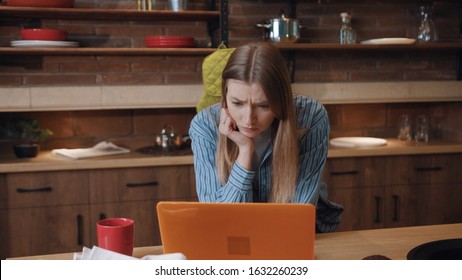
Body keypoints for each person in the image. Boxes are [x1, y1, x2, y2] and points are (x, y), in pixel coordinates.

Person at [189, 42, 343, 232]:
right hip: (235, 240)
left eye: (263, 106)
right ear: (225, 94)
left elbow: (296, 214)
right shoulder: (204, 126)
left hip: (296, 234)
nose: (248, 119)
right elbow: (219, 220)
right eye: (237, 103)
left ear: (281, 99)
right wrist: (245, 151)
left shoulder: (310, 118)